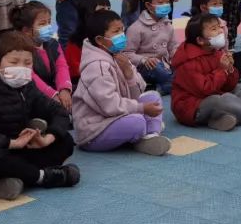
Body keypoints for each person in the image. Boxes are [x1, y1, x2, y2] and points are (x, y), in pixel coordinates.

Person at [0, 31, 79, 201]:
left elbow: (58, 111)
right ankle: (42, 177)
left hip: (21, 149)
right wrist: (12, 143)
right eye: (14, 62)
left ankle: (19, 176)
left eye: (27, 63)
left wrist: (47, 139)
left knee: (65, 140)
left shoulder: (27, 87)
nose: (21, 68)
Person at [72, 10, 171, 155]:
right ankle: (145, 132)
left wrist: (129, 75)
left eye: (122, 30)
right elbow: (109, 106)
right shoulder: (96, 67)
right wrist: (141, 108)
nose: (122, 36)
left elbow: (136, 95)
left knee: (153, 97)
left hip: (116, 117)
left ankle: (150, 136)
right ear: (100, 40)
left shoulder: (118, 56)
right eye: (116, 31)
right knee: (137, 122)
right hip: (94, 131)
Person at [171, 15, 241, 131]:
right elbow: (205, 90)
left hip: (215, 95)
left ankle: (220, 118)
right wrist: (222, 70)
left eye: (219, 27)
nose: (220, 31)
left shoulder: (215, 52)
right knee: (218, 100)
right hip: (191, 106)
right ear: (200, 40)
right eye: (214, 29)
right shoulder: (188, 61)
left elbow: (230, 86)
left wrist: (230, 69)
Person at [10, 2, 71, 110]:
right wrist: (53, 95)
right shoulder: (19, 50)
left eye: (49, 22)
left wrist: (64, 89)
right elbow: (31, 77)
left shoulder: (52, 43)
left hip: (55, 89)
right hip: (33, 94)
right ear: (27, 31)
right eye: (42, 24)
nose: (48, 27)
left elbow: (61, 66)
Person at [123, 0, 177, 95]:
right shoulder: (136, 28)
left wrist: (178, 61)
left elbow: (173, 48)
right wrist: (144, 60)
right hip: (145, 67)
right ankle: (171, 86)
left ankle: (163, 85)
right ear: (148, 5)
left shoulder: (168, 25)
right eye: (160, 2)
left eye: (167, 2)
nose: (166, 5)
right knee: (156, 67)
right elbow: (126, 53)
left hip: (164, 66)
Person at [64, 0, 112, 85]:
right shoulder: (76, 41)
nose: (107, 14)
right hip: (85, 83)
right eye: (102, 10)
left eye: (108, 9)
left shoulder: (110, 36)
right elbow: (75, 71)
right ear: (86, 13)